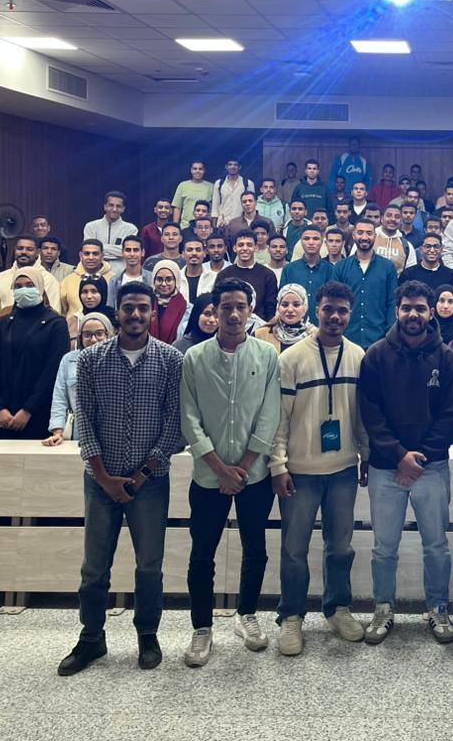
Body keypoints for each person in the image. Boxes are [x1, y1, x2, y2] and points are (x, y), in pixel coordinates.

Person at [57, 282, 185, 677]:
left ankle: (147, 634)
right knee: (94, 567)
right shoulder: (90, 359)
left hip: (151, 482)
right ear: (118, 312)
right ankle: (91, 637)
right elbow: (85, 420)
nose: (135, 314)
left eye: (143, 308)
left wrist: (143, 473)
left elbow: (174, 423)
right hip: (100, 480)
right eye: (128, 307)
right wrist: (104, 476)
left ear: (152, 313)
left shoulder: (171, 360)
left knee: (149, 566)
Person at [177, 278, 281, 666]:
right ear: (215, 312)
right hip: (208, 476)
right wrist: (220, 469)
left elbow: (270, 414)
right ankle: (201, 627)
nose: (234, 314)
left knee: (256, 548)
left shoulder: (267, 355)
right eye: (226, 307)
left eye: (241, 306)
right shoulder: (194, 357)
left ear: (251, 311)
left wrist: (246, 465)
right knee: (202, 553)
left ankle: (247, 614)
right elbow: (189, 418)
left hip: (255, 475)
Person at [359, 280, 453, 645]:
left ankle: (438, 608)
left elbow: (449, 416)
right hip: (387, 467)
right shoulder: (375, 355)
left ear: (431, 313)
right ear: (397, 311)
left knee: (436, 545)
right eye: (406, 308)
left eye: (419, 308)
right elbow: (370, 414)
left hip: (431, 467)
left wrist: (418, 459)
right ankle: (383, 608)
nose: (412, 314)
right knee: (384, 546)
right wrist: (399, 456)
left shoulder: (447, 357)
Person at [270, 281, 368, 654]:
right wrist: (278, 464)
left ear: (350, 314)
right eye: (329, 309)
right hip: (300, 471)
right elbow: (278, 418)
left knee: (340, 546)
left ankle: (337, 608)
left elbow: (361, 416)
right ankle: (291, 615)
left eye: (342, 310)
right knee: (294, 548)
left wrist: (365, 455)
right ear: (318, 311)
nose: (335, 317)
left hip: (342, 469)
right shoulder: (292, 358)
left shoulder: (358, 356)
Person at [0, 267, 69, 439]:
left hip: (39, 413)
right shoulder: (0, 324)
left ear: (40, 287)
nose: (24, 290)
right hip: (2, 415)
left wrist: (28, 409)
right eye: (18, 286)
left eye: (29, 285)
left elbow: (53, 371)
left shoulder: (56, 324)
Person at [46, 311, 114, 445]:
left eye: (99, 333)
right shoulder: (68, 360)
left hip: (111, 434)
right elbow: (60, 399)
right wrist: (57, 432)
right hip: (79, 432)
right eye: (87, 334)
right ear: (80, 337)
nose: (93, 339)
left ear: (108, 335)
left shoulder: (118, 360)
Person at [333, 219, 398, 348]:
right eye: (360, 232)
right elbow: (334, 302)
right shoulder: (340, 267)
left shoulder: (388, 267)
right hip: (347, 338)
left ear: (375, 236)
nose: (364, 237)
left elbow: (392, 303)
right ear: (353, 235)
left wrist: (390, 335)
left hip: (379, 339)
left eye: (369, 233)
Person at [0, 235, 62, 327]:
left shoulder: (48, 279)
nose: (24, 252)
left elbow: (54, 313)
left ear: (37, 252)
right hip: (3, 332)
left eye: (29, 249)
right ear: (14, 250)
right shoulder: (0, 278)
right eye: (20, 248)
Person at [218, 232, 278, 322]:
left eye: (249, 245)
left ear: (256, 248)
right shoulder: (224, 275)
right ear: (234, 248)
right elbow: (219, 305)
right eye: (241, 245)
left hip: (260, 326)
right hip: (230, 324)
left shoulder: (268, 275)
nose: (245, 248)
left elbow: (270, 308)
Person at [82, 191, 137, 277]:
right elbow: (88, 250)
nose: (114, 209)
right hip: (95, 274)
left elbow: (126, 252)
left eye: (118, 206)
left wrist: (99, 249)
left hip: (119, 275)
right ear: (105, 207)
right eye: (111, 205)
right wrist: (117, 251)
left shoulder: (131, 229)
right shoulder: (91, 226)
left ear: (123, 209)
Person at [253, 283, 316, 353]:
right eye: (285, 305)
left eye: (296, 305)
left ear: (305, 307)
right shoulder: (261, 335)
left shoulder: (315, 336)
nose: (290, 310)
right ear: (278, 307)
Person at [59, 240, 109, 319]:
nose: (91, 257)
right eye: (87, 253)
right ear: (80, 255)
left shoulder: (113, 279)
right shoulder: (68, 280)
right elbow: (62, 311)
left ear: (102, 255)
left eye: (95, 254)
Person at [148, 260, 187, 345]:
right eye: (159, 279)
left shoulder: (186, 308)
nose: (164, 284)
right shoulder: (147, 304)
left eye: (169, 279)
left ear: (176, 281)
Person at [66, 275, 114, 342]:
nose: (89, 296)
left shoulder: (114, 319)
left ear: (102, 293)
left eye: (94, 291)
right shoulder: (74, 320)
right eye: (85, 292)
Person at [172, 161, 215, 227]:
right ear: (191, 170)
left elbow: (214, 209)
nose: (197, 171)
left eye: (200, 169)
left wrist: (213, 226)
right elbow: (177, 207)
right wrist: (174, 226)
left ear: (204, 171)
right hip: (185, 225)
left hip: (204, 227)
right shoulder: (183, 185)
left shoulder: (211, 187)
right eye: (195, 169)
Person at [214, 158, 255, 226]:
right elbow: (215, 206)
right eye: (230, 164)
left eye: (235, 165)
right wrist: (214, 224)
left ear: (239, 167)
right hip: (223, 223)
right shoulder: (219, 183)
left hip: (242, 223)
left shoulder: (248, 183)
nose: (232, 167)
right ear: (226, 167)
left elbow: (252, 205)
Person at [432, 285, 453, 354]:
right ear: (435, 302)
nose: (445, 306)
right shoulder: (426, 328)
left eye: (450, 302)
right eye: (441, 301)